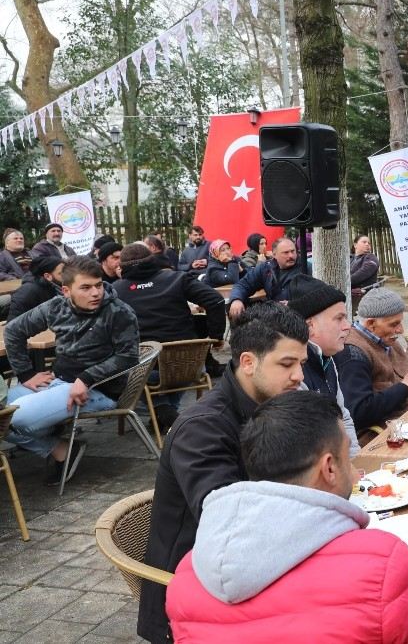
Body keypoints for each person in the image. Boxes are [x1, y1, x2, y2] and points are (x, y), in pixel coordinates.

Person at [165, 391, 408, 643]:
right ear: (329, 468)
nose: (355, 469)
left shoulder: (188, 573)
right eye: (348, 454)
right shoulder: (384, 563)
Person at [138, 302, 309, 643]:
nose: (299, 376)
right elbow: (230, 525)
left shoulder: (273, 403)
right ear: (248, 362)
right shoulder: (203, 429)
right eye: (287, 364)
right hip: (196, 596)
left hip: (254, 567)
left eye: (301, 364)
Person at [4, 256, 138, 485]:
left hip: (99, 390)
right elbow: (14, 331)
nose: (96, 293)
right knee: (2, 413)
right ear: (66, 291)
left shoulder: (119, 312)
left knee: (13, 417)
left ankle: (50, 433)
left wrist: (86, 379)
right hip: (59, 383)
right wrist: (26, 374)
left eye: (98, 285)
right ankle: (60, 449)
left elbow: (128, 357)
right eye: (85, 288)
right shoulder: (56, 306)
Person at [114, 243, 227, 423]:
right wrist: (216, 337)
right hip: (188, 363)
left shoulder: (116, 291)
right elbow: (215, 301)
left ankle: (161, 408)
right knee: (176, 360)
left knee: (117, 364)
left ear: (121, 267)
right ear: (153, 260)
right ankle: (165, 411)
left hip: (145, 369)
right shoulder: (177, 278)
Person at [336, 288, 408, 431]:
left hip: (404, 420)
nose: (400, 330)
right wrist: (407, 383)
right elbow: (359, 413)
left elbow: (406, 391)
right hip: (378, 434)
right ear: (370, 324)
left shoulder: (386, 340)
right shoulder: (352, 354)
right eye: (394, 324)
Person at [285, 275, 361, 454]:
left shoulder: (326, 356)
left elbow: (343, 417)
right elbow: (309, 443)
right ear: (309, 326)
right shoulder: (294, 371)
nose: (347, 326)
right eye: (339, 318)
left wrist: (357, 461)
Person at [228, 237, 300, 318]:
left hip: (299, 315)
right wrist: (237, 300)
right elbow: (243, 285)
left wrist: (294, 304)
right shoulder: (266, 268)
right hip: (274, 316)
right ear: (274, 255)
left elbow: (315, 296)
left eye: (293, 251)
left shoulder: (306, 267)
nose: (291, 255)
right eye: (286, 252)